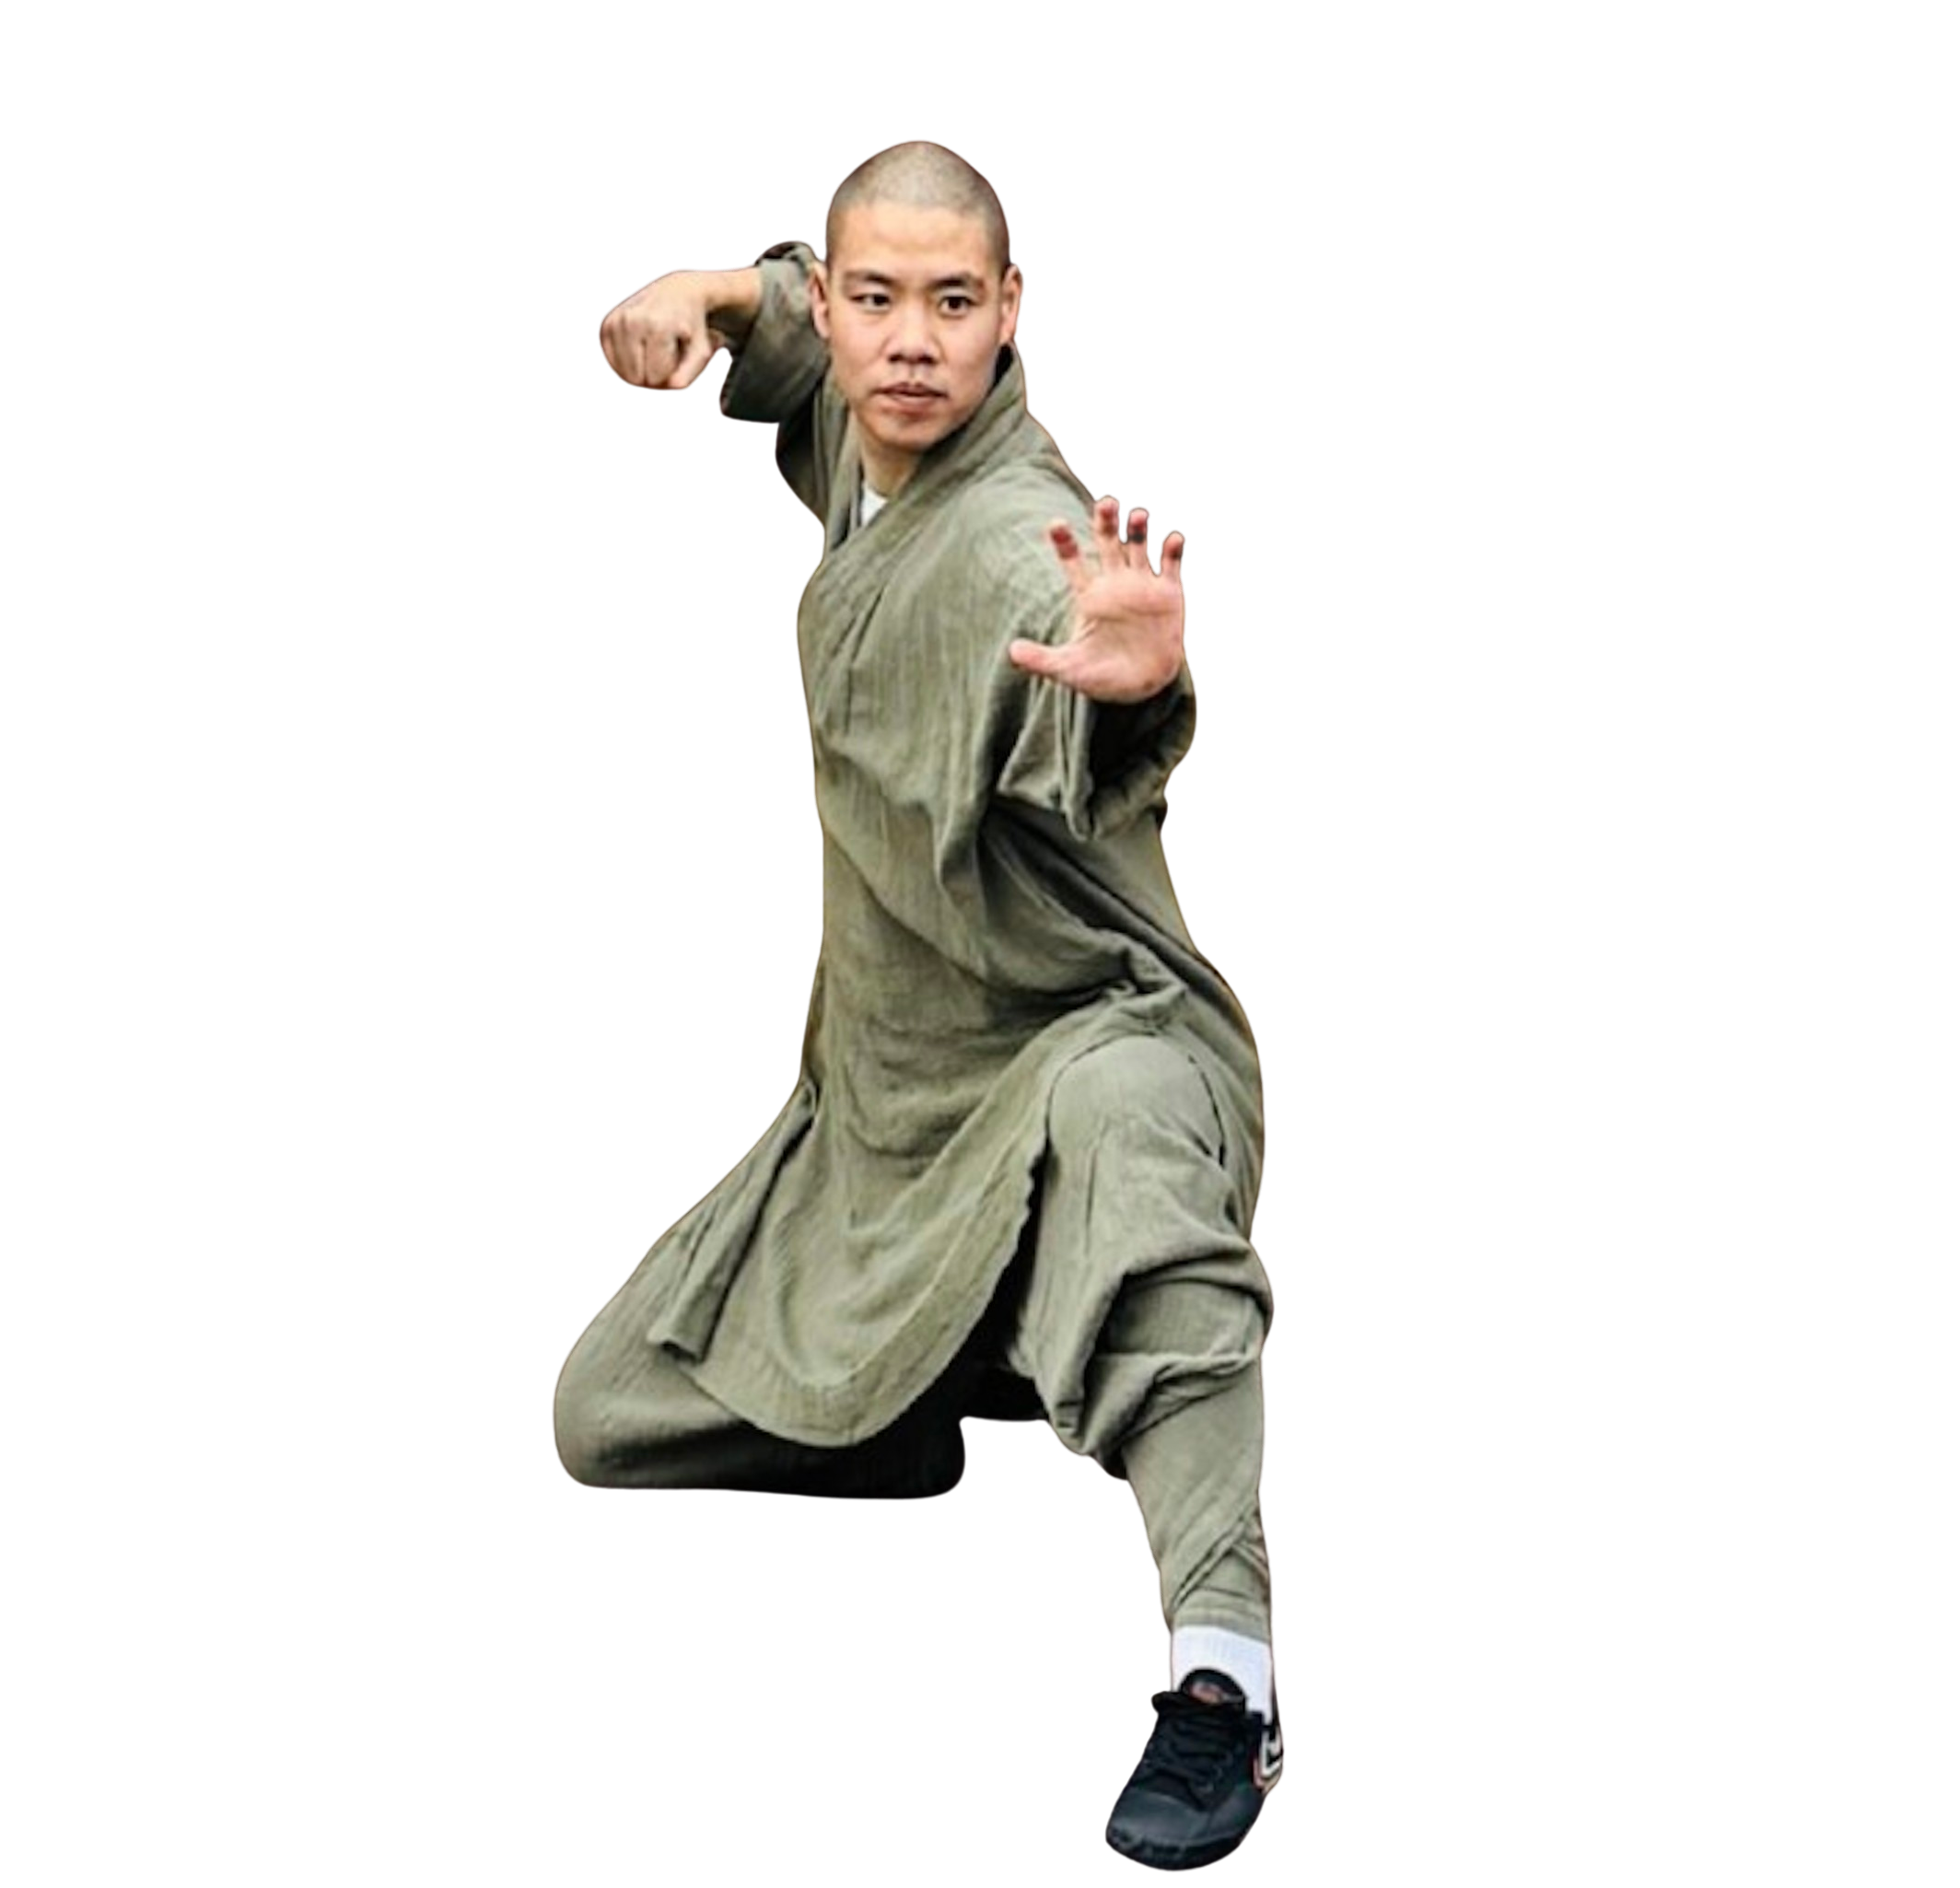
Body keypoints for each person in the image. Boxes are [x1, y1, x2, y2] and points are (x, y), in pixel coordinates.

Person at [566, 139, 1281, 1871]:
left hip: (1087, 1033)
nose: (906, 341)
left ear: (1011, 311)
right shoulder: (865, 423)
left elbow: (1069, 681)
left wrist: (1133, 678)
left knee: (1137, 1168)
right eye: (873, 298)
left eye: (952, 304)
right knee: (604, 1415)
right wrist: (709, 291)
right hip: (893, 1099)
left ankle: (1227, 1673)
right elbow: (792, 339)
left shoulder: (1017, 538)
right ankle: (966, 1369)